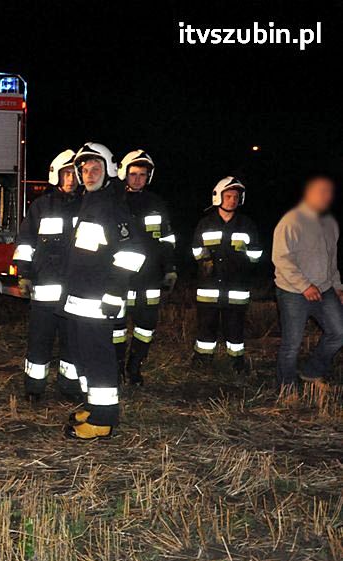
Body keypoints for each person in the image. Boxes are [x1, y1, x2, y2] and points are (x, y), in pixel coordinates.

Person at [62, 142, 146, 440]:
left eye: (95, 168)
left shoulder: (112, 204)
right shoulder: (90, 200)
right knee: (83, 355)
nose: (88, 173)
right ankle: (93, 406)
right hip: (80, 298)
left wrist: (113, 294)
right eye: (84, 169)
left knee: (98, 359)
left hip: (98, 301)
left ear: (109, 170)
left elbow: (133, 252)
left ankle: (104, 420)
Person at [13, 149, 82, 400]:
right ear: (56, 176)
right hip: (44, 286)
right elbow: (25, 242)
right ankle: (34, 388)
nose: (70, 179)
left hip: (75, 287)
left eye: (74, 174)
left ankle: (70, 387)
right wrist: (24, 274)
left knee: (72, 340)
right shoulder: (41, 206)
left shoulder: (87, 207)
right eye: (66, 174)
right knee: (39, 340)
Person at [272, 174, 343, 389]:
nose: (325, 196)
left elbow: (332, 259)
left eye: (328, 191)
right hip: (293, 291)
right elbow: (281, 258)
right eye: (320, 191)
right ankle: (286, 386)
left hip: (325, 288)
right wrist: (304, 286)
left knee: (339, 332)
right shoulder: (291, 221)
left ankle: (312, 372)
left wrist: (338, 286)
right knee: (291, 344)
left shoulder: (330, 223)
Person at [113, 150, 177, 386]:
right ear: (124, 174)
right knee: (117, 328)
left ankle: (135, 368)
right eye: (133, 174)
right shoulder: (114, 202)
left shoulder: (156, 203)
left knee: (146, 328)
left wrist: (170, 269)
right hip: (121, 279)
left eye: (143, 175)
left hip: (150, 279)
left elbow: (168, 240)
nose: (138, 179)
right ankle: (117, 368)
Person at [191, 176, 262, 372]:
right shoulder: (205, 224)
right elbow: (196, 249)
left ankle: (236, 362)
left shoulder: (247, 225)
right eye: (229, 196)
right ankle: (202, 360)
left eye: (236, 197)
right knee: (206, 325)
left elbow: (256, 254)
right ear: (218, 197)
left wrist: (243, 263)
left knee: (235, 327)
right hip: (209, 287)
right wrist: (205, 261)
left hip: (236, 288)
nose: (232, 200)